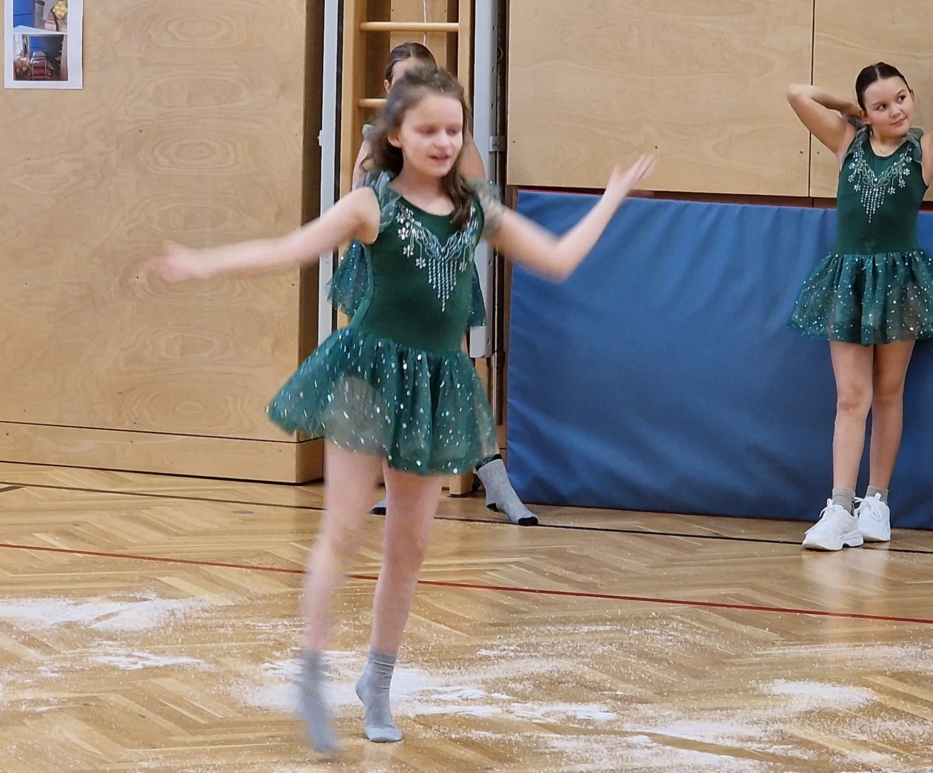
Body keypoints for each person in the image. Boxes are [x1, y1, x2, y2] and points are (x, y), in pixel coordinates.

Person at [140, 66, 654, 752]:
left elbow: (557, 260)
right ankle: (310, 671)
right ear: (396, 135)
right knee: (344, 526)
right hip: (366, 375)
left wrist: (611, 197)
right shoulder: (370, 204)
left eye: (454, 129)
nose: (444, 141)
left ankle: (376, 681)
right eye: (428, 129)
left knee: (408, 547)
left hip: (436, 385)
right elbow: (289, 249)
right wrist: (202, 263)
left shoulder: (476, 208)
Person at [337, 42, 538, 525]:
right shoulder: (375, 139)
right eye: (404, 80)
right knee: (390, 383)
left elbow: (480, 203)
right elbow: (356, 204)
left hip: (439, 272)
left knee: (457, 380)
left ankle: (496, 482)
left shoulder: (451, 138)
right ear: (388, 88)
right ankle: (400, 485)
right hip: (387, 278)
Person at [787, 62, 933, 550]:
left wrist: (872, 110)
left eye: (901, 98)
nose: (896, 110)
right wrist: (848, 108)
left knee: (889, 393)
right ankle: (839, 508)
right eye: (882, 105)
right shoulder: (847, 142)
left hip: (900, 282)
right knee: (851, 398)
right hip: (849, 281)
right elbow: (797, 93)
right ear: (866, 113)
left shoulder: (923, 151)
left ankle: (877, 504)